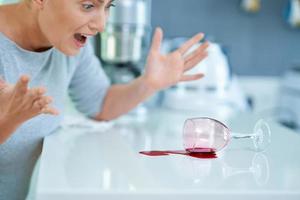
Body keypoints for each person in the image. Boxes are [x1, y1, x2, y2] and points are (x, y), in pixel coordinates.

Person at [0, 0, 209, 199]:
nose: (101, 25)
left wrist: (148, 83)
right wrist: (10, 120)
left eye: (108, 6)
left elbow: (101, 103)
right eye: (88, 5)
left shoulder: (67, 42)